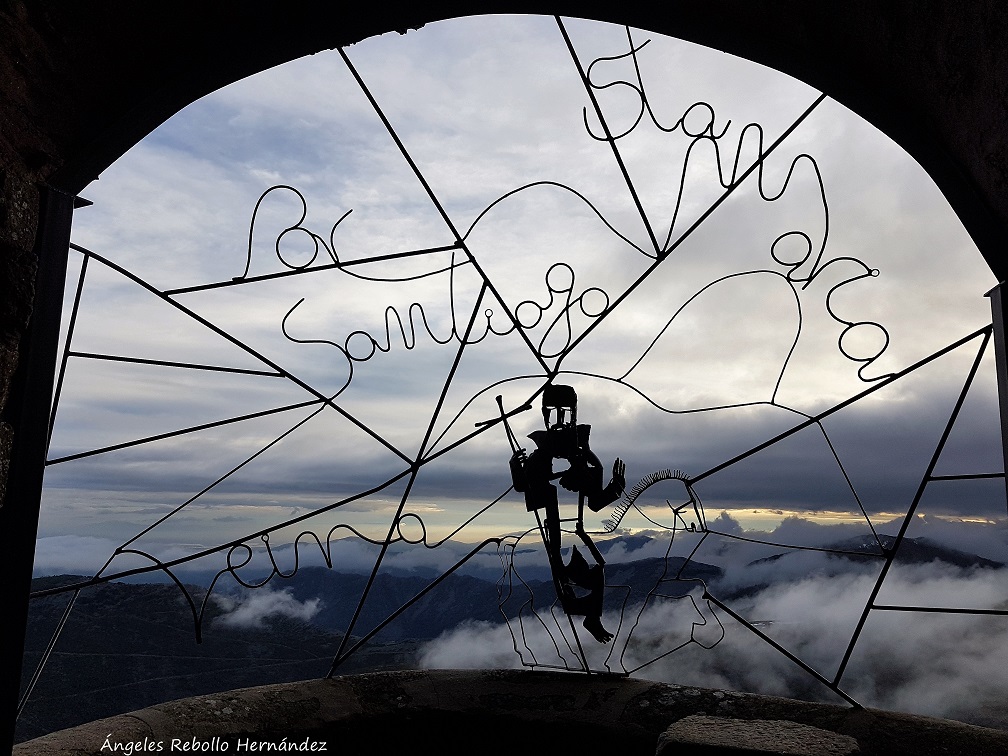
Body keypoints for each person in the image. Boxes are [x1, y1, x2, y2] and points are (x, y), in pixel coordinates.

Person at [509, 384, 626, 643]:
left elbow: (595, 502)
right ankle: (587, 614)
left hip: (574, 531)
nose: (560, 419)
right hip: (555, 533)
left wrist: (614, 489)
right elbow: (524, 485)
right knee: (565, 576)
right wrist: (516, 469)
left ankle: (591, 617)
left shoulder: (584, 455)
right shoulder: (542, 456)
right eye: (553, 412)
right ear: (545, 414)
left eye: (566, 412)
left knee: (598, 571)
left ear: (573, 414)